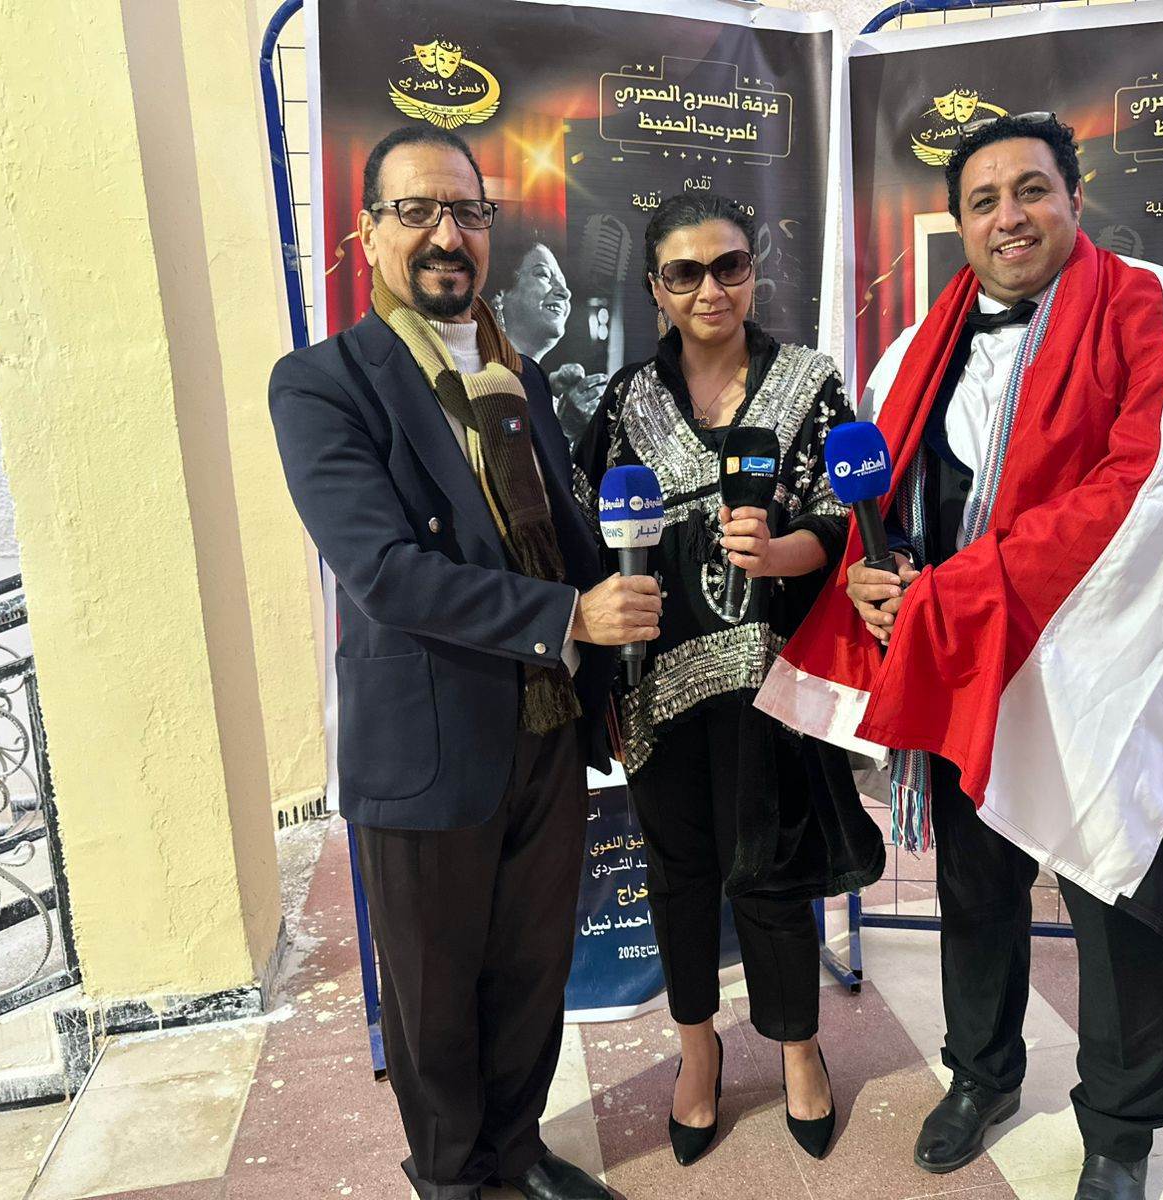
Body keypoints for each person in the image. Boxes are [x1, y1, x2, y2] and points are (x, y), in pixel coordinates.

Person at [755, 116, 1163, 1200]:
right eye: (984, 201)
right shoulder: (914, 348)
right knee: (976, 890)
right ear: (960, 224)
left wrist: (956, 593)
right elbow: (883, 511)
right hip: (971, 669)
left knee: (1116, 899)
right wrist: (876, 580)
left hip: (1110, 667)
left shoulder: (1148, 304)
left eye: (1031, 190)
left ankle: (1119, 1131)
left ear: (1074, 198)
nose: (1009, 216)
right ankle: (981, 1075)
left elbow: (1148, 490)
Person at [269, 125, 662, 1200]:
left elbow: (559, 532)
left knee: (532, 972)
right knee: (434, 994)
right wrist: (569, 615)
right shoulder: (322, 384)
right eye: (417, 211)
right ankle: (452, 1178)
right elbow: (384, 573)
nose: (447, 235)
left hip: (545, 728)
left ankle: (517, 1151)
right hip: (429, 742)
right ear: (369, 233)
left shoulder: (513, 375)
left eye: (468, 213)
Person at [573, 191, 884, 1167]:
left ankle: (797, 1049)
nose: (711, 289)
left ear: (753, 272)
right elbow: (585, 530)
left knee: (771, 870)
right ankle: (697, 1051)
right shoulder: (627, 402)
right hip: (655, 686)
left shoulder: (808, 383)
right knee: (678, 874)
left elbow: (840, 521)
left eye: (730, 266)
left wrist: (782, 553)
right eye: (685, 272)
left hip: (771, 679)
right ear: (655, 288)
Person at [488, 228, 607, 447]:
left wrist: (547, 390)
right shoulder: (481, 380)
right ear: (500, 295)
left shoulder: (547, 394)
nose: (565, 292)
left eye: (563, 282)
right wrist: (565, 428)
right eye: (543, 274)